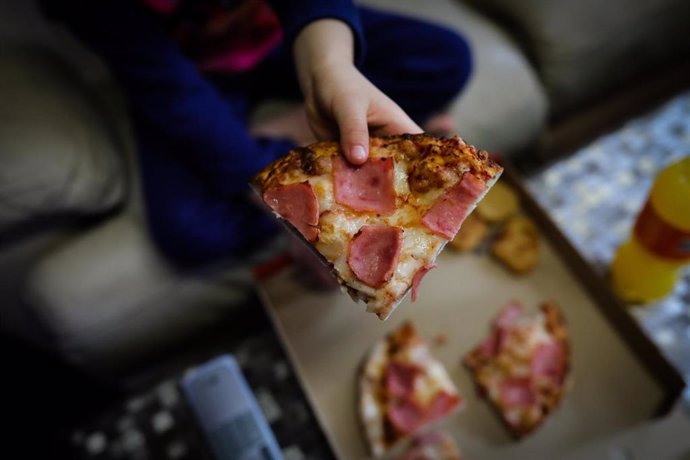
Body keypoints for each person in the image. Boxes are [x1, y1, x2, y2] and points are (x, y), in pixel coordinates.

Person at [45, 0, 472, 266]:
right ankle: (295, 142)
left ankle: (299, 129)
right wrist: (288, 204)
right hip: (195, 79)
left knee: (448, 56)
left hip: (283, 39)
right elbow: (169, 90)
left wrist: (331, 69)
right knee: (189, 233)